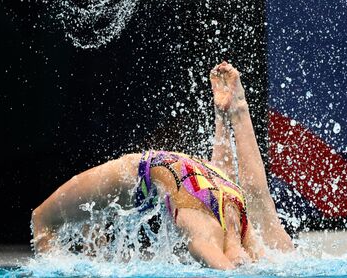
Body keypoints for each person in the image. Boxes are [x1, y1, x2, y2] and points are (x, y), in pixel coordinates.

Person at [31, 61, 294, 270]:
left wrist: (229, 113)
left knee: (253, 200)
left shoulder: (245, 236)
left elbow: (240, 180)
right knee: (42, 218)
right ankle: (234, 109)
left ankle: (233, 109)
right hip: (140, 170)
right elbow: (250, 186)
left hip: (193, 174)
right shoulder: (216, 238)